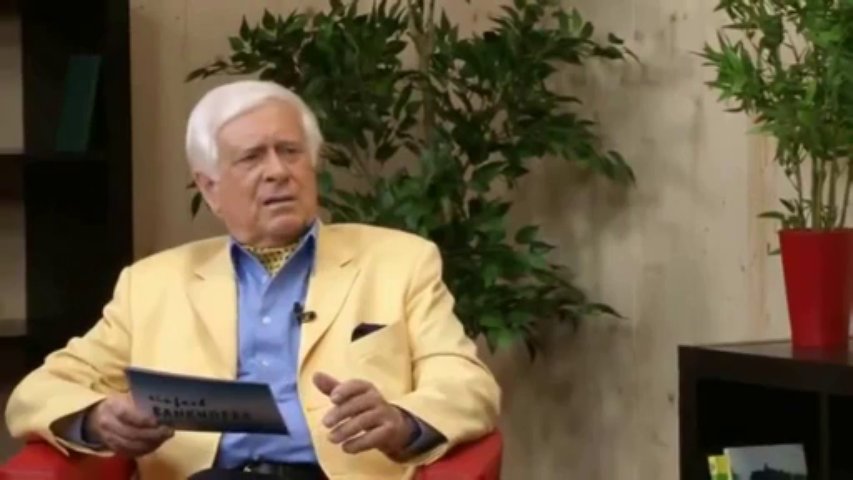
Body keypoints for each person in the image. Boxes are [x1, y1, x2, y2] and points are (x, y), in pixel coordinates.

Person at [4, 80, 500, 480]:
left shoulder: (401, 261)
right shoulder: (152, 284)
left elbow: (466, 383)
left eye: (290, 151)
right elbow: (40, 390)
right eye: (252, 157)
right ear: (210, 188)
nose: (277, 172)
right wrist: (97, 418)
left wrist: (401, 420)